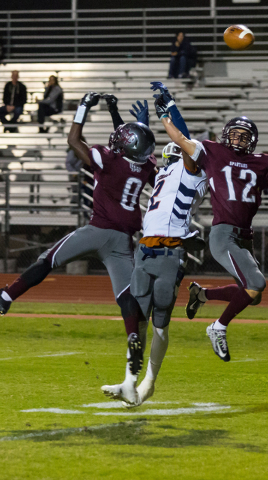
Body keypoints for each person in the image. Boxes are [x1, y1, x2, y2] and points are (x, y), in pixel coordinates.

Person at [0, 92, 157, 378]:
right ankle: (132, 336)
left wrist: (83, 107)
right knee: (125, 294)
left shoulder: (109, 159)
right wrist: (120, 116)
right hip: (123, 239)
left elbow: (74, 140)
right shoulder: (146, 167)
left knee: (47, 261)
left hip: (98, 229)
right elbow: (130, 143)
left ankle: (6, 298)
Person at [158, 92, 268, 362]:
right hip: (223, 234)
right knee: (256, 283)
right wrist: (164, 117)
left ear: (252, 141)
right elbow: (182, 141)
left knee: (252, 295)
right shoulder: (213, 152)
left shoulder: (261, 162)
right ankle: (217, 327)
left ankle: (202, 294)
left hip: (245, 236)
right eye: (236, 134)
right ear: (226, 135)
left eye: (244, 136)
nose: (239, 139)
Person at [101, 81, 207, 407]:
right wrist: (144, 125)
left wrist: (170, 106)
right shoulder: (163, 174)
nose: (166, 155)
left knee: (160, 318)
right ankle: (129, 381)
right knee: (137, 314)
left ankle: (149, 381)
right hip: (144, 248)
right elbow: (135, 149)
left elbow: (186, 140)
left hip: (169, 250)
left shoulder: (193, 171)